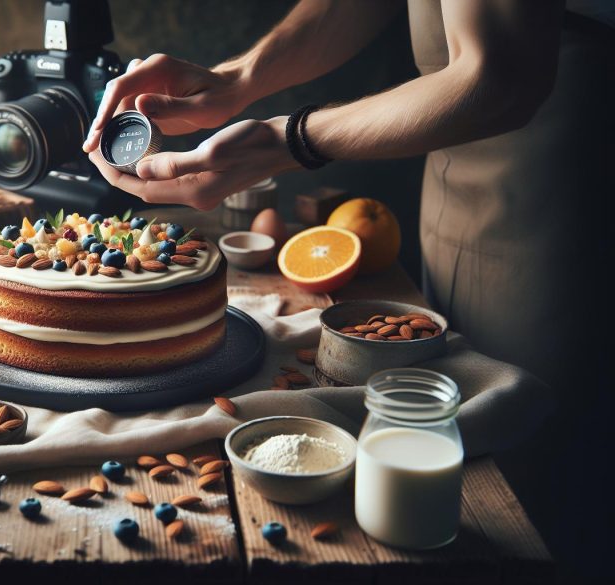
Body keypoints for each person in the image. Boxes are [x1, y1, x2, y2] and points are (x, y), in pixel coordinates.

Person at [84, 0, 613, 580]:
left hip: (566, 190)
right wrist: (239, 78)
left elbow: (498, 77)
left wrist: (287, 142)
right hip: (449, 183)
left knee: (533, 487)